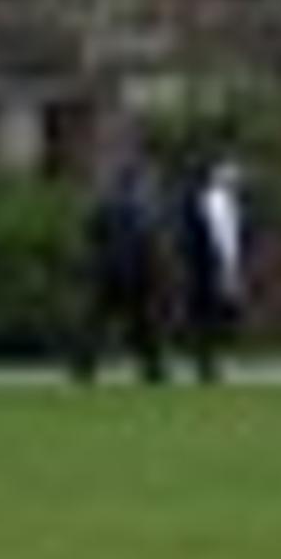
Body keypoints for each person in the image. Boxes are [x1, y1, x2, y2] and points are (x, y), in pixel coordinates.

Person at [74, 145, 168, 385]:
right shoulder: (142, 209)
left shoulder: (105, 204)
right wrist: (154, 273)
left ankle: (85, 366)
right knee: (141, 322)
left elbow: (91, 234)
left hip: (106, 270)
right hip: (133, 272)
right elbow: (148, 243)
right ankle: (151, 369)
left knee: (97, 321)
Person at [176, 149, 246, 381]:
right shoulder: (217, 202)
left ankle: (204, 361)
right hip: (209, 264)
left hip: (202, 264)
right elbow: (224, 238)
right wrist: (229, 269)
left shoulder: (208, 200)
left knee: (204, 315)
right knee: (207, 315)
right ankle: (205, 364)